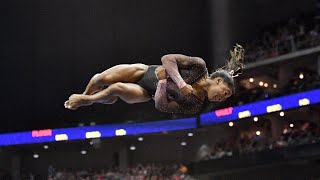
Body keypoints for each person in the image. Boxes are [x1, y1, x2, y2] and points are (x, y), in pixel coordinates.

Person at [64, 44, 244, 114]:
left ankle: (87, 100)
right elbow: (167, 59)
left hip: (145, 92)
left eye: (225, 97)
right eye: (225, 93)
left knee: (116, 88)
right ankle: (85, 96)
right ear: (219, 81)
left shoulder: (195, 104)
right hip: (144, 72)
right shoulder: (199, 66)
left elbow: (162, 106)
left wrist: (163, 86)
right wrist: (181, 83)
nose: (222, 98)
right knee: (100, 78)